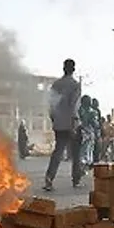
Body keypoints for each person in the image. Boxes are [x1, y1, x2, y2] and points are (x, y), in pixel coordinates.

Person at [45, 58, 82, 191]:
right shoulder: (75, 85)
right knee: (76, 153)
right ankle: (76, 179)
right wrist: (73, 123)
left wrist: (54, 119)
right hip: (71, 123)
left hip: (59, 123)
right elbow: (74, 105)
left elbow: (51, 104)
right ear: (73, 69)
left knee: (58, 151)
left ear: (63, 68)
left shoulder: (56, 84)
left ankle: (49, 178)